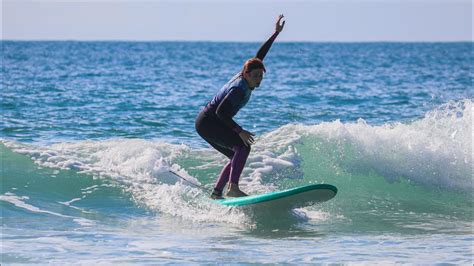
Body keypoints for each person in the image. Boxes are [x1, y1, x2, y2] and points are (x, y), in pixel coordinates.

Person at [195, 15, 286, 199]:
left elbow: (259, 57)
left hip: (208, 123)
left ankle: (216, 193)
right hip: (208, 122)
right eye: (255, 76)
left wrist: (275, 33)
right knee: (243, 147)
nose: (258, 79)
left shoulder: (244, 74)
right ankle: (233, 188)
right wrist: (240, 131)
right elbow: (221, 112)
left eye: (261, 76)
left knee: (235, 155)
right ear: (246, 74)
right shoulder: (238, 88)